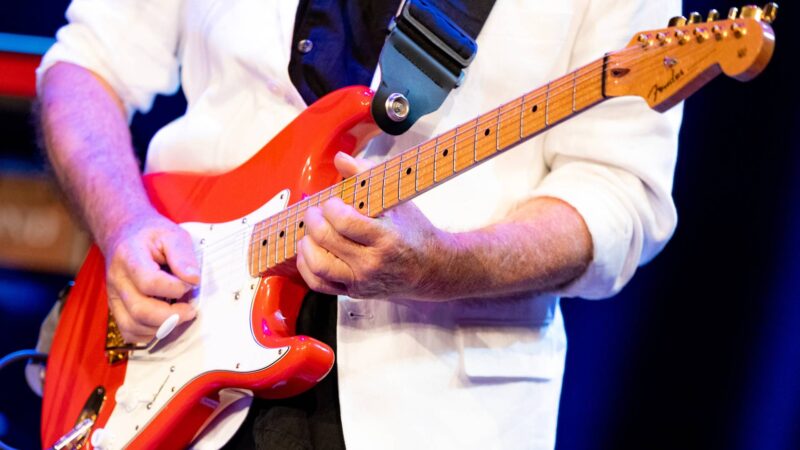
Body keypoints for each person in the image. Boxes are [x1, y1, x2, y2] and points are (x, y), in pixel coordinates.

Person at [37, 0, 682, 448]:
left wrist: (442, 263)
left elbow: (617, 193)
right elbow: (85, 65)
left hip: (436, 411)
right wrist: (124, 224)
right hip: (179, 346)